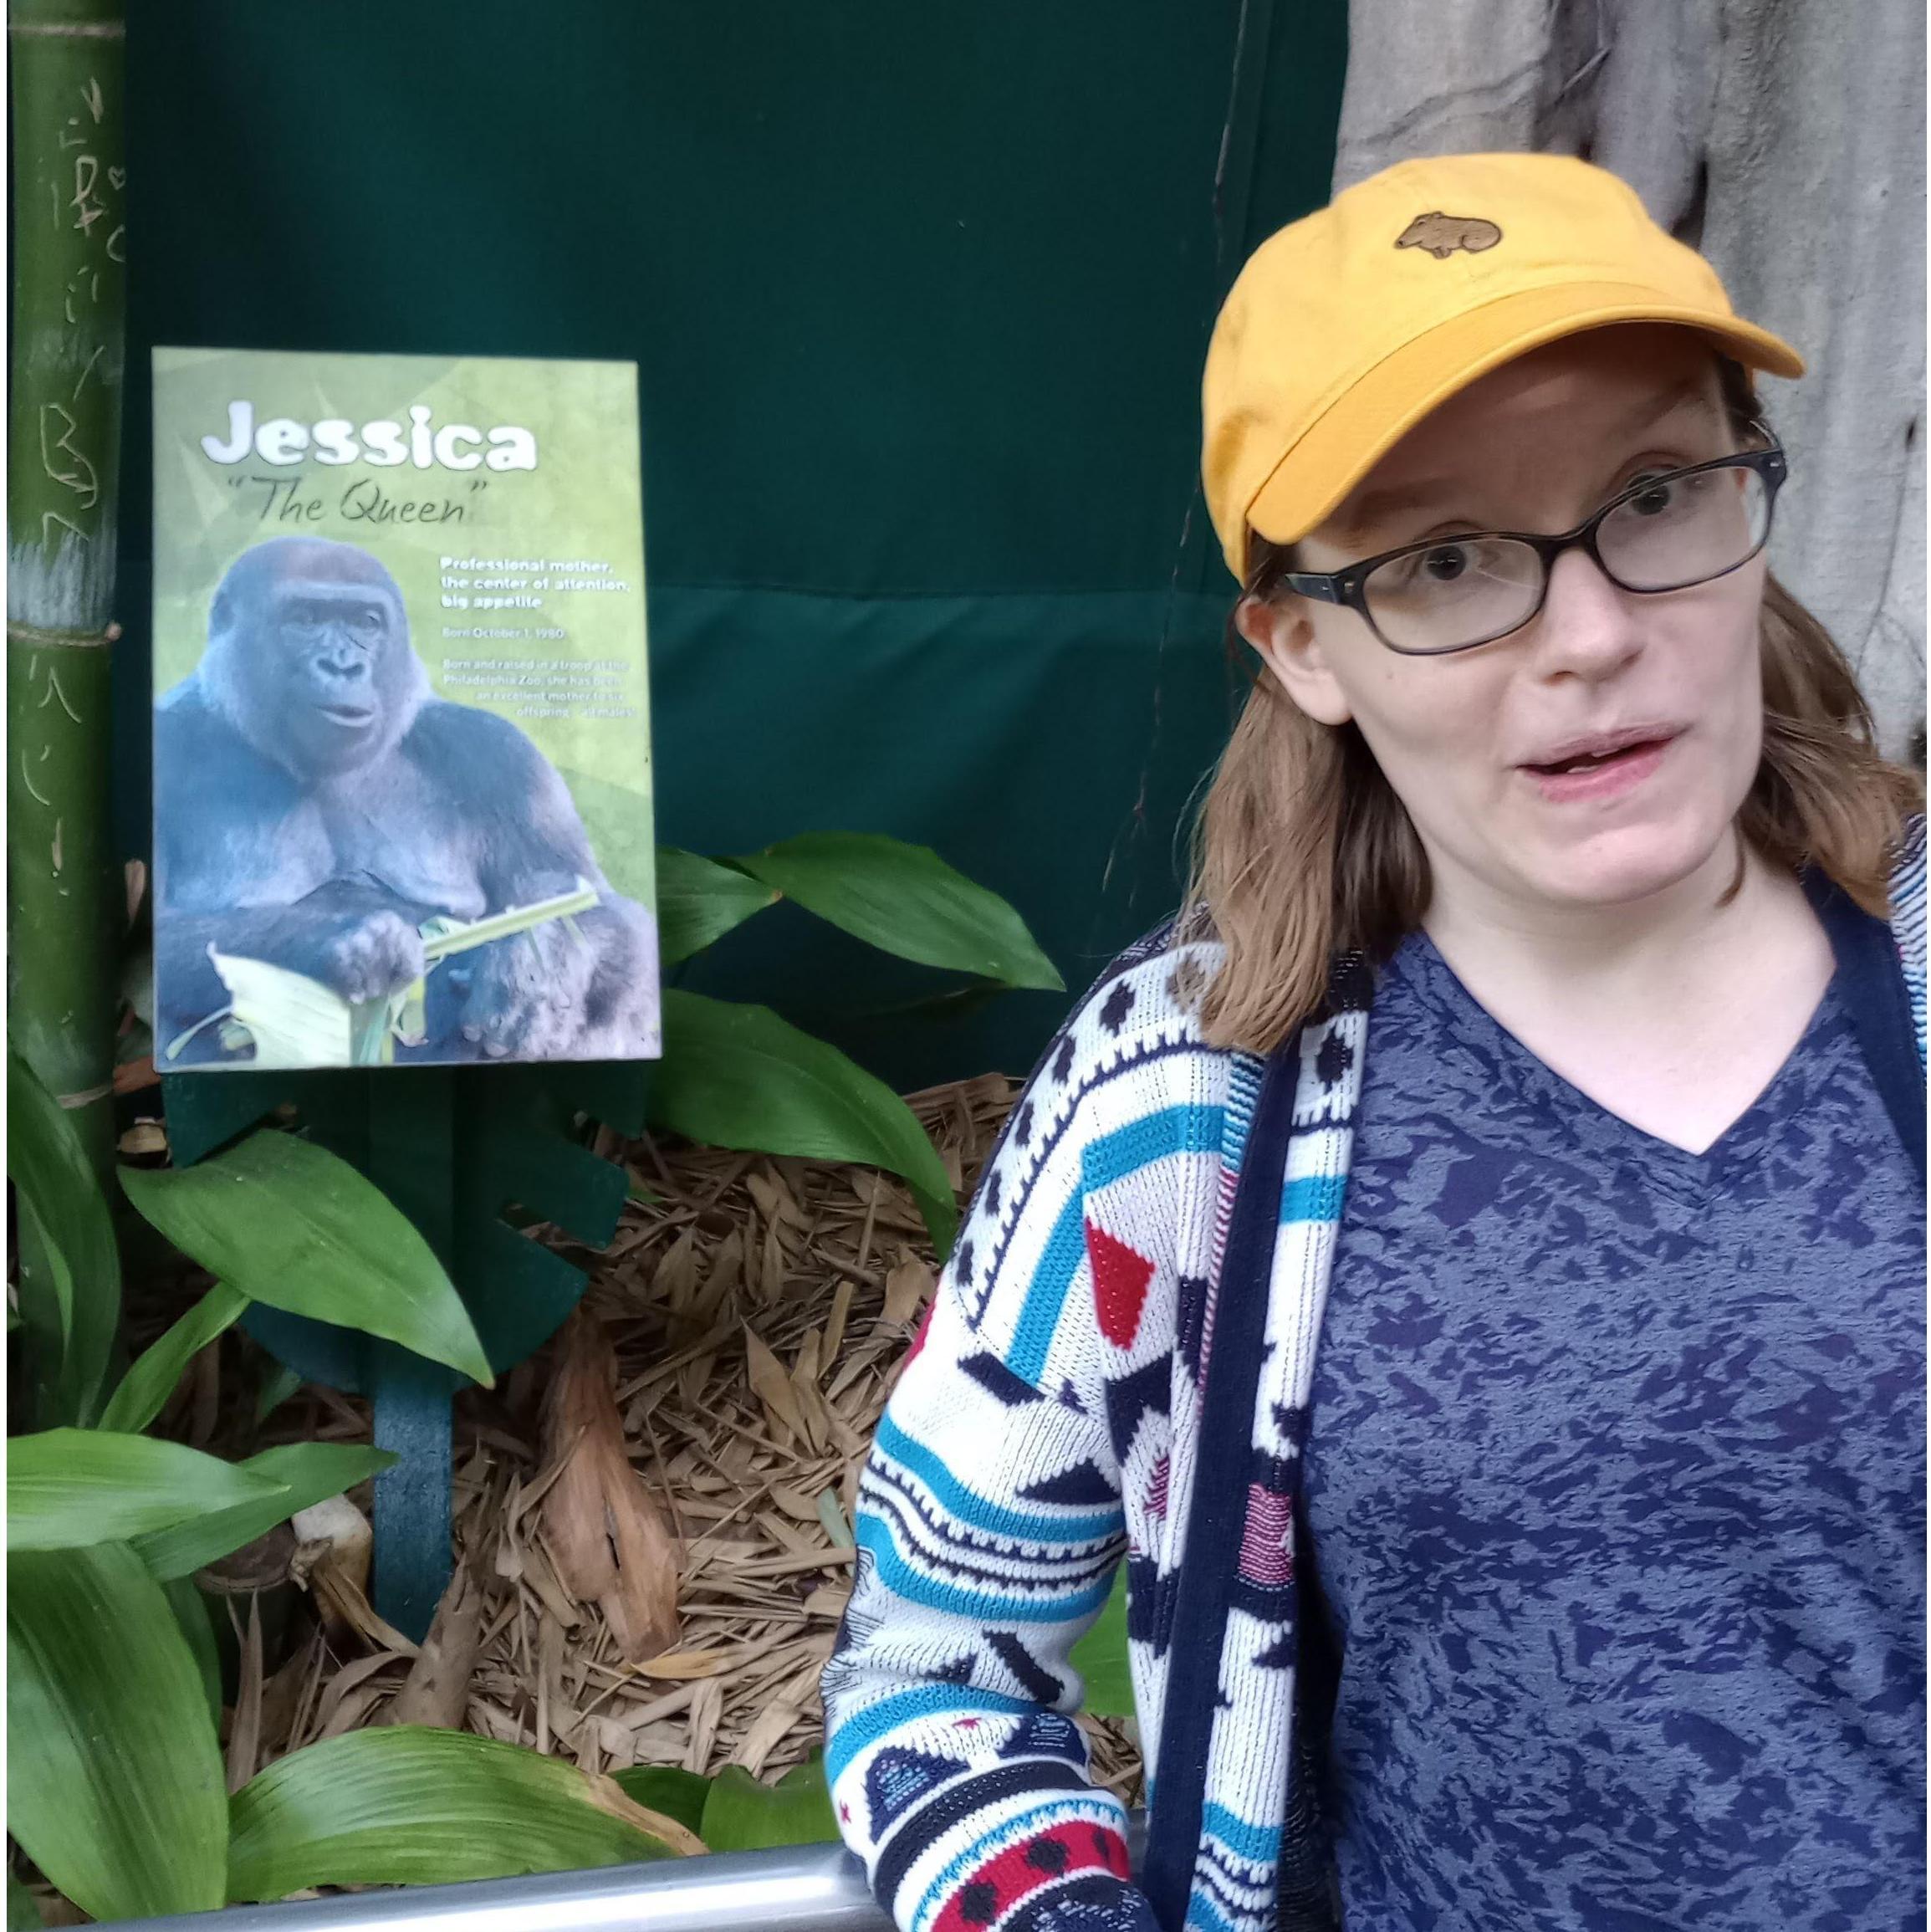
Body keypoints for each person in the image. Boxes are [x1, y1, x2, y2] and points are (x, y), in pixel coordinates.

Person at [821, 151, 1926, 1932]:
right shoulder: (1180, 1115)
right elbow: (932, 1684)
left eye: (1654, 496)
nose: (1589, 635)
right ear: (1303, 647)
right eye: (1447, 558)